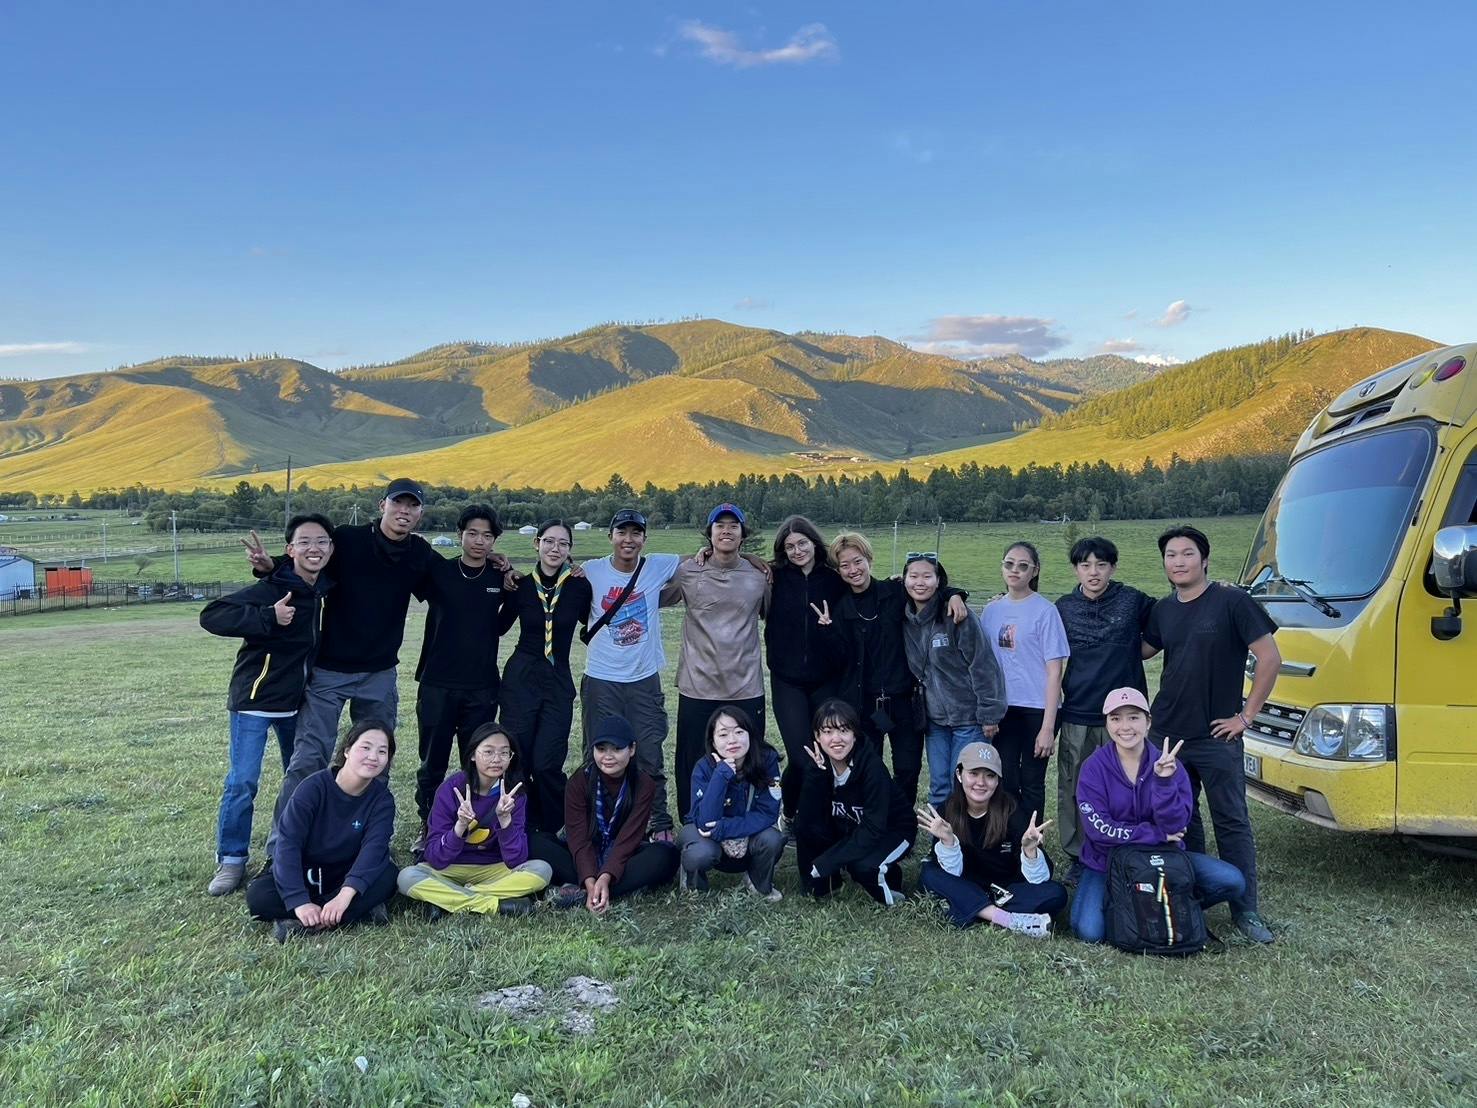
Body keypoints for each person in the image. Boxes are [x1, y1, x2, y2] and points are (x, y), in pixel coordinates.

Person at [1142, 525, 1281, 944]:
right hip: (1167, 735)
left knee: (1231, 820)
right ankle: (1195, 899)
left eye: (1187, 553)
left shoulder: (1232, 601)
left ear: (1204, 559)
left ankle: (1246, 910)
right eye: (1171, 555)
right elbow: (1141, 650)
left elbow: (1270, 658)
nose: (1178, 562)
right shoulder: (1163, 610)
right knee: (1181, 819)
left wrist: (1246, 717)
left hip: (1217, 736)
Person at [200, 513, 336, 895]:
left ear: (331, 549)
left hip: (299, 705)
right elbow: (212, 615)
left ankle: (295, 850)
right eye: (304, 542)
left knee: (304, 781)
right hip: (255, 702)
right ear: (290, 549)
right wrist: (268, 616)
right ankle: (231, 860)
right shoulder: (271, 590)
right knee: (243, 782)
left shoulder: (327, 590)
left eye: (322, 541)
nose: (314, 548)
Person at [1069, 688, 1247, 945]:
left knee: (1232, 881)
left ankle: (1177, 902)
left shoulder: (1169, 764)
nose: (1125, 727)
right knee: (1088, 931)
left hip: (1163, 859)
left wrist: (1163, 782)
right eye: (1116, 718)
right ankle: (1130, 903)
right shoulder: (1094, 767)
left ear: (1148, 722)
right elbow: (1099, 829)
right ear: (1107, 723)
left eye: (1134, 717)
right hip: (1107, 861)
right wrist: (1155, 834)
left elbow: (1177, 824)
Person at [825, 532, 968, 808]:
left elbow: (928, 589)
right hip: (864, 703)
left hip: (904, 699)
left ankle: (902, 819)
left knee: (908, 768)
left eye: (858, 561)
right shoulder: (840, 608)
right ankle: (876, 817)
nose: (853, 570)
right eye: (845, 565)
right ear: (838, 570)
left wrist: (954, 595)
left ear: (869, 560)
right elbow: (839, 659)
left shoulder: (895, 591)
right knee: (869, 766)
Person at [1054, 536, 1156, 885]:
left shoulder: (1134, 600)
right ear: (1076, 569)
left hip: (1124, 716)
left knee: (1128, 785)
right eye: (1085, 565)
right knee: (1075, 785)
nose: (1093, 572)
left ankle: (1125, 848)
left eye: (1101, 564)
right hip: (1078, 711)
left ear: (1113, 567)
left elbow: (1170, 619)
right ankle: (1079, 854)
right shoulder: (1063, 607)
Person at [578, 508, 685, 839]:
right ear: (610, 536)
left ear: (644, 539)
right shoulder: (591, 570)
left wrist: (751, 560)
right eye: (622, 532)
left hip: (643, 679)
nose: (628, 539)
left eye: (635, 533)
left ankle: (658, 821)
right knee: (598, 752)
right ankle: (595, 821)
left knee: (650, 752)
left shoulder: (657, 565)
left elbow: (702, 559)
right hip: (601, 678)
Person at [663, 503, 772, 826]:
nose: (726, 530)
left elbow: (779, 613)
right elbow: (650, 589)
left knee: (748, 759)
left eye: (733, 526)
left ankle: (746, 827)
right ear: (709, 534)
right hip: (698, 686)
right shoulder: (688, 571)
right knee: (692, 761)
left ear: (742, 534)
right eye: (719, 525)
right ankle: (691, 826)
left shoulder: (759, 576)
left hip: (745, 686)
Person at [245, 720, 399, 942]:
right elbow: (288, 845)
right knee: (259, 896)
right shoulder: (312, 788)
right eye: (365, 747)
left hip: (345, 874)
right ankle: (352, 913)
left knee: (388, 877)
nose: (373, 757)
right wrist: (299, 901)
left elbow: (374, 849)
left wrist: (344, 897)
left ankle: (304, 922)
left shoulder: (382, 800)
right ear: (347, 750)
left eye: (382, 751)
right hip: (306, 873)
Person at [411, 504, 509, 849]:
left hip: (482, 687)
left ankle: (477, 828)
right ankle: (429, 826)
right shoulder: (440, 572)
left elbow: (502, 624)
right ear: (460, 535)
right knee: (432, 763)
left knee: (479, 764)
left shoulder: (500, 578)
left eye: (487, 535)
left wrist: (506, 569)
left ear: (494, 540)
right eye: (472, 533)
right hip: (437, 683)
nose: (479, 541)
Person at [496, 520, 593, 834]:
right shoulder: (521, 585)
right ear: (536, 543)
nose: (555, 548)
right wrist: (500, 579)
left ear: (570, 550)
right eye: (549, 541)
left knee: (547, 763)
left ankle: (555, 830)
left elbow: (594, 621)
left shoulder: (580, 587)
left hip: (558, 678)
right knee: (517, 759)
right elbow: (498, 627)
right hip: (521, 678)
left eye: (563, 543)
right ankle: (518, 827)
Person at [397, 723, 553, 916]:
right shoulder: (450, 789)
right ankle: (494, 905)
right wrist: (460, 826)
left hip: (493, 869)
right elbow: (435, 858)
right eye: (488, 752)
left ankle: (449, 900)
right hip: (449, 868)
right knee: (407, 877)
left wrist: (505, 821)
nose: (496, 759)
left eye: (504, 753)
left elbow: (516, 859)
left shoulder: (514, 794)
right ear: (472, 755)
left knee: (542, 870)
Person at [528, 716, 679, 913]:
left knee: (666, 855)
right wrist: (590, 880)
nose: (608, 756)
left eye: (616, 749)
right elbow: (578, 839)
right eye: (601, 749)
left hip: (622, 856)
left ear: (632, 749)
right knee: (535, 842)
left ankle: (583, 892)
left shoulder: (644, 784)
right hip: (583, 855)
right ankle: (597, 890)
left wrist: (606, 876)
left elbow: (628, 839)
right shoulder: (579, 782)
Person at [916, 742, 1066, 937]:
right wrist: (948, 841)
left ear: (998, 781)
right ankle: (1008, 920)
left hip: (1006, 891)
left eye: (989, 775)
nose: (981, 782)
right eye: (973, 773)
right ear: (959, 775)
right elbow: (950, 874)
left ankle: (973, 910)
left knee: (1056, 893)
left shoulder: (1012, 811)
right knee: (928, 874)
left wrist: (1030, 851)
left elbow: (1039, 880)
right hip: (966, 885)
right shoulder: (948, 810)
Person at [900, 553, 1006, 806]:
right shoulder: (905, 619)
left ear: (939, 581)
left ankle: (966, 833)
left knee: (965, 787)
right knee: (939, 786)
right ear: (904, 580)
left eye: (927, 576)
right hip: (935, 721)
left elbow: (983, 665)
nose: (920, 582)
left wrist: (989, 714)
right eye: (913, 576)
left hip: (969, 719)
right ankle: (939, 833)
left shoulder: (956, 615)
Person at [764, 516, 847, 831]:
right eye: (790, 546)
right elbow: (738, 564)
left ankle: (820, 819)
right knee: (801, 758)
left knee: (827, 753)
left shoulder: (834, 579)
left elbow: (869, 586)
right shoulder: (774, 577)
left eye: (802, 543)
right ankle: (789, 814)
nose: (797, 551)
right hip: (787, 681)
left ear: (814, 543)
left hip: (827, 679)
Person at [980, 541, 1069, 823]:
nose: (1015, 570)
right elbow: (984, 664)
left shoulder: (1046, 611)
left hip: (1037, 709)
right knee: (1005, 777)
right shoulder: (991, 611)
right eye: (1009, 564)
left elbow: (1054, 672)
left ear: (1035, 571)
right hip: (1003, 708)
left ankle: (1032, 840)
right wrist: (988, 709)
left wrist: (1048, 727)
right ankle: (1009, 835)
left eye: (1023, 565)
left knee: (1032, 781)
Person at [794, 698, 915, 906]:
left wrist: (831, 859)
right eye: (827, 731)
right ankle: (826, 885)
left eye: (844, 730)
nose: (836, 739)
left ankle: (891, 888)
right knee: (808, 828)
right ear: (817, 736)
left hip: (892, 829)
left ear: (855, 734)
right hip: (851, 825)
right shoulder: (818, 764)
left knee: (862, 867)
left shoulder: (872, 767)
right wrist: (816, 775)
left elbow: (874, 827)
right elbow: (806, 820)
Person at [679, 706, 786, 901]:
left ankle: (758, 881)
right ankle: (693, 886)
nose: (732, 740)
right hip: (707, 836)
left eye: (739, 732)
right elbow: (705, 822)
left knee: (773, 839)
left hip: (744, 831)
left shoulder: (767, 760)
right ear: (713, 741)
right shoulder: (703, 767)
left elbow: (768, 813)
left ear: (750, 734)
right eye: (723, 734)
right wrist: (721, 774)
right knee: (700, 853)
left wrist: (725, 828)